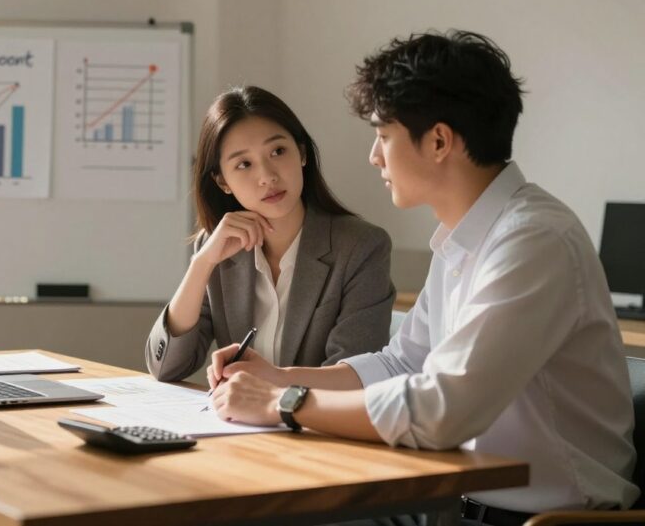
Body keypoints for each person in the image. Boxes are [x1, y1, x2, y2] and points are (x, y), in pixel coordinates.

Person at [207, 31, 639, 522]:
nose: (374, 157)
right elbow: (402, 363)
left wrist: (283, 402)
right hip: (455, 505)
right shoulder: (466, 234)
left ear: (438, 141)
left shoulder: (532, 240)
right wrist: (279, 374)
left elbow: (440, 410)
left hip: (546, 519)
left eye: (384, 136)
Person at [145, 85, 395, 382]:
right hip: (239, 424)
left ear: (301, 153)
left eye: (278, 151)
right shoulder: (218, 248)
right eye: (244, 164)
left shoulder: (361, 247)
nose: (267, 176)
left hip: (314, 425)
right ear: (223, 182)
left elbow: (355, 378)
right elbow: (166, 367)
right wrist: (201, 265)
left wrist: (271, 381)